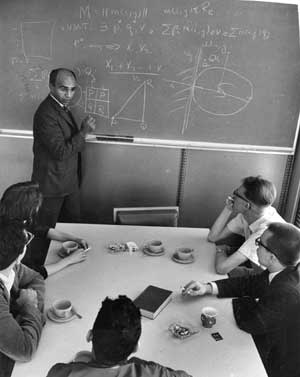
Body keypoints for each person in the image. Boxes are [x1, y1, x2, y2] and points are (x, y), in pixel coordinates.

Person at [183, 222, 300, 377]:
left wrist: (240, 301)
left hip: (278, 365)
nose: (256, 247)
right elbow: (248, 283)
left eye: (260, 244)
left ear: (272, 257)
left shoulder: (286, 291)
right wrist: (207, 287)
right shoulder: (281, 270)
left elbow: (252, 323)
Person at [46, 295, 192, 377]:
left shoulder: (61, 373)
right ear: (136, 348)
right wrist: (139, 363)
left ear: (90, 336)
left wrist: (80, 365)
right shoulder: (150, 372)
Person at [31, 67, 96, 229]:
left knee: (72, 227)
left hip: (67, 182)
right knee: (47, 232)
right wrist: (83, 132)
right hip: (51, 186)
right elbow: (60, 151)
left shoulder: (60, 106)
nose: (69, 95)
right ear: (51, 86)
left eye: (72, 89)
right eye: (63, 89)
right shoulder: (45, 113)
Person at [0, 181, 89, 279]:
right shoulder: (11, 236)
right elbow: (33, 273)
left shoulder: (21, 218)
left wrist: (75, 239)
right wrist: (69, 260)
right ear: (27, 208)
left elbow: (44, 231)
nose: (38, 208)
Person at [207, 176, 284, 276]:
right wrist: (228, 209)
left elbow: (222, 268)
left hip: (275, 284)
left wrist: (220, 250)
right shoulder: (248, 215)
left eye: (236, 194)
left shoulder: (265, 231)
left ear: (247, 205)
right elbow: (213, 237)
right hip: (260, 273)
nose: (232, 197)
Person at [0, 221, 45, 377]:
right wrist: (30, 307)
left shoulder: (9, 266)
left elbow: (36, 278)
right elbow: (25, 351)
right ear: (19, 255)